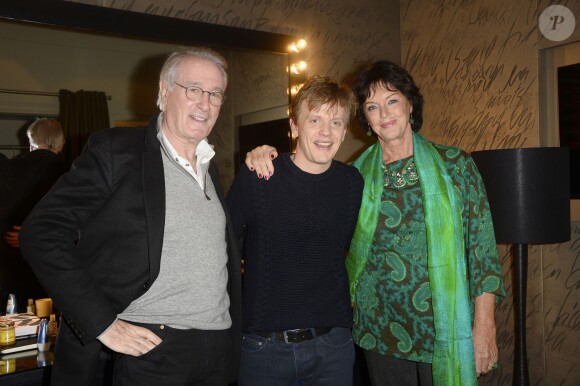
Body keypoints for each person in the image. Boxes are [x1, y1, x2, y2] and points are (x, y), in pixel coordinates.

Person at [245, 61, 506, 386]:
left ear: (410, 103)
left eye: (392, 100)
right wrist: (262, 154)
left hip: (445, 330)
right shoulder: (353, 176)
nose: (384, 113)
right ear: (364, 119)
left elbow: (482, 253)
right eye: (372, 106)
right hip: (377, 331)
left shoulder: (456, 165)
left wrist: (485, 326)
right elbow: (306, 200)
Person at [19, 47, 242, 386]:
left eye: (215, 94)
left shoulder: (211, 166)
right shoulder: (117, 150)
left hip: (217, 352)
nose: (206, 102)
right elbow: (41, 232)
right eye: (194, 89)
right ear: (164, 91)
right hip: (150, 350)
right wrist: (103, 324)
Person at [227, 76, 363, 385]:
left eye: (336, 122)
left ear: (344, 131)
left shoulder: (352, 183)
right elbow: (221, 250)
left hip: (334, 347)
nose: (325, 132)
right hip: (264, 348)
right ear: (294, 125)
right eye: (314, 119)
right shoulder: (259, 176)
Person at [0, 118, 66, 312]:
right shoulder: (70, 175)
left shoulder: (5, 170)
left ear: (31, 140)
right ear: (61, 143)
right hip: (48, 275)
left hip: (6, 273)